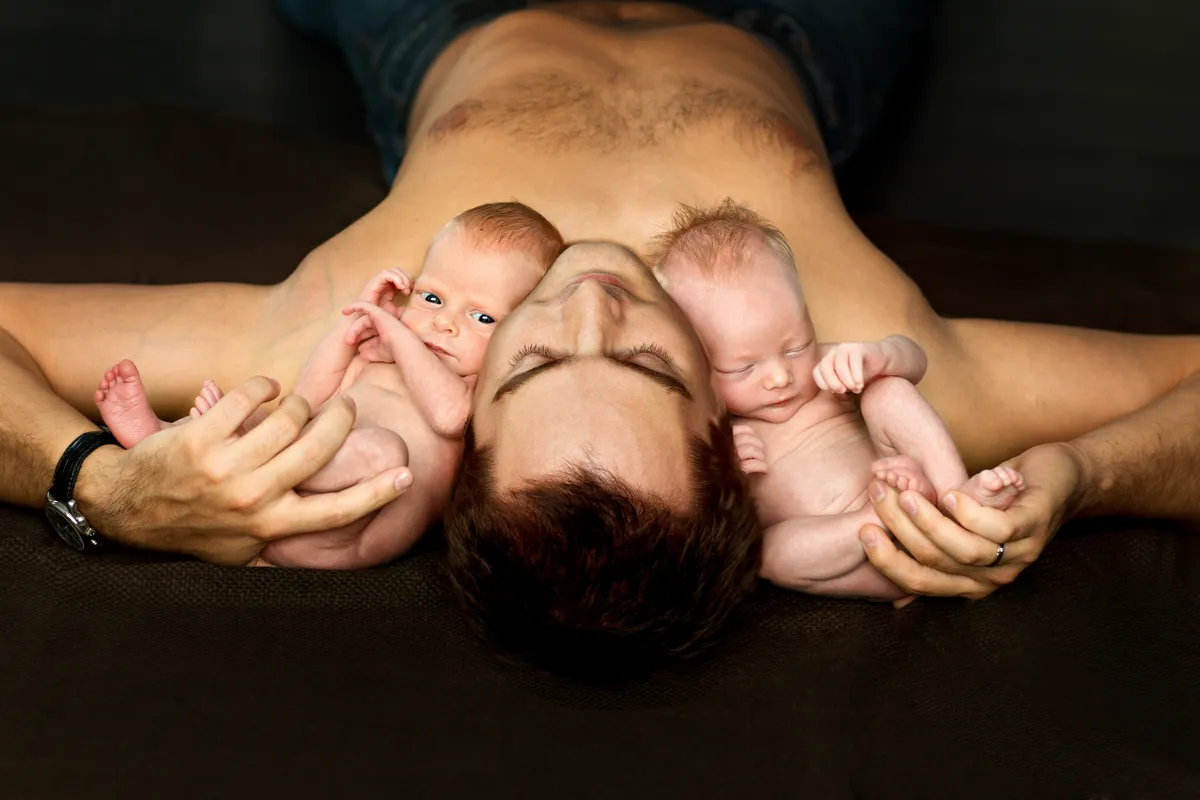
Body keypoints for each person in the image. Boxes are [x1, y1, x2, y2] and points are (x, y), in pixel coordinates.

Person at [1, 2, 1198, 642]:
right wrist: (1083, 476)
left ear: (465, 415)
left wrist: (99, 486)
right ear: (727, 421)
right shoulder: (845, 363)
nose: (587, 294)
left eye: (526, 361)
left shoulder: (360, 329)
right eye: (639, 356)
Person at [91, 202, 563, 569]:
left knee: (380, 452)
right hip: (266, 502)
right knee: (267, 411)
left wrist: (396, 332)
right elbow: (311, 396)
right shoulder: (380, 354)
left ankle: (235, 447)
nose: (443, 323)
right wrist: (355, 322)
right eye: (432, 297)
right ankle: (160, 438)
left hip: (339, 533)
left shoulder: (478, 386)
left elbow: (448, 417)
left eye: (481, 316)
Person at [649, 199, 1025, 599]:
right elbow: (709, 518)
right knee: (770, 556)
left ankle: (955, 497)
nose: (780, 376)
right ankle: (890, 568)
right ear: (695, 361)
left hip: (902, 487)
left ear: (806, 316)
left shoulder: (824, 370)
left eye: (795, 346)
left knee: (889, 388)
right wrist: (727, 470)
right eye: (742, 369)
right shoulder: (716, 429)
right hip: (850, 549)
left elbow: (914, 361)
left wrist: (879, 356)